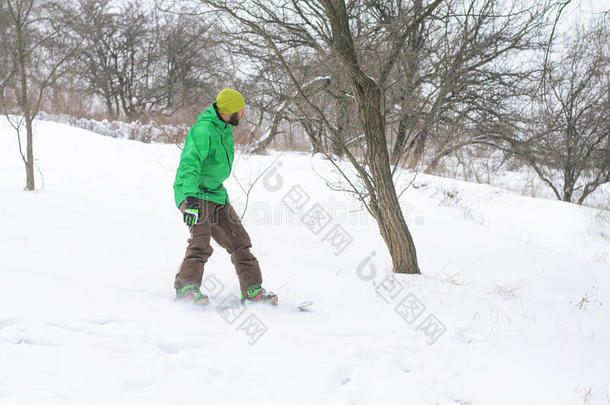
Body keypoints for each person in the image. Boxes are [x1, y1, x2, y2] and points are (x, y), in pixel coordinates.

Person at [172, 88, 277, 306]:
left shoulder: (224, 130)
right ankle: (186, 287)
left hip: (216, 194)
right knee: (201, 239)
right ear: (228, 111)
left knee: (239, 240)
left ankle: (252, 290)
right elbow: (189, 165)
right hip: (194, 192)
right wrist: (190, 199)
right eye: (240, 110)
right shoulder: (203, 131)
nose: (243, 114)